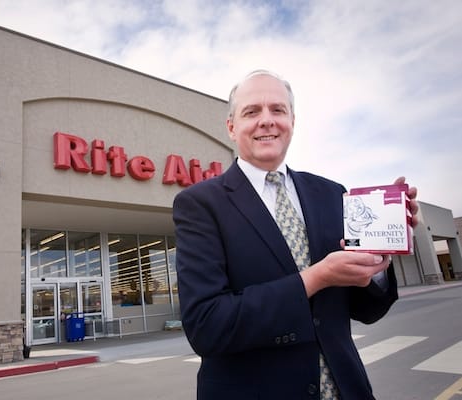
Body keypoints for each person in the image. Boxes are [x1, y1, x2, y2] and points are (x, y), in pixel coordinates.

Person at [172, 70, 419, 400]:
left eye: (278, 109)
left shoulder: (332, 194)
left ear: (292, 121)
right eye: (252, 111)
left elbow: (366, 311)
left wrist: (378, 256)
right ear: (231, 127)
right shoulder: (199, 204)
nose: (267, 120)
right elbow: (207, 326)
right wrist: (316, 277)